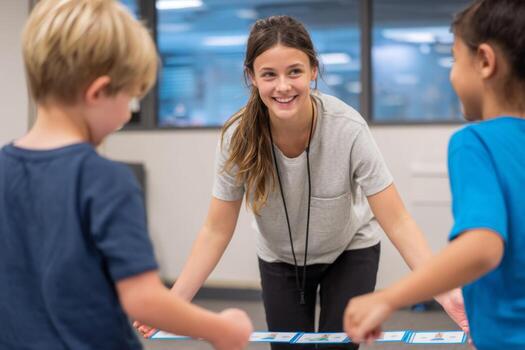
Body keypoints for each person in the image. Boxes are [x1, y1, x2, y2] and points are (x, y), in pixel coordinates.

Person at [135, 15, 466, 350]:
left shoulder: (347, 128)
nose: (283, 86)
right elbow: (216, 230)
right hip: (280, 258)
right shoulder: (238, 137)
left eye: (294, 71)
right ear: (251, 77)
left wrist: (444, 293)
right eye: (269, 74)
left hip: (350, 250)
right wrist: (173, 304)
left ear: (313, 71)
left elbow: (397, 220)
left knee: (338, 346)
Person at [0, 1, 253, 349]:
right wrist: (220, 328)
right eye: (131, 99)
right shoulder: (105, 180)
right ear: (99, 92)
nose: (127, 114)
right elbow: (143, 298)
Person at [343, 1, 525, 349]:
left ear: (485, 61)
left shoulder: (475, 143)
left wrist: (387, 298)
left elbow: (482, 248)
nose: (451, 73)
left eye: (455, 59)